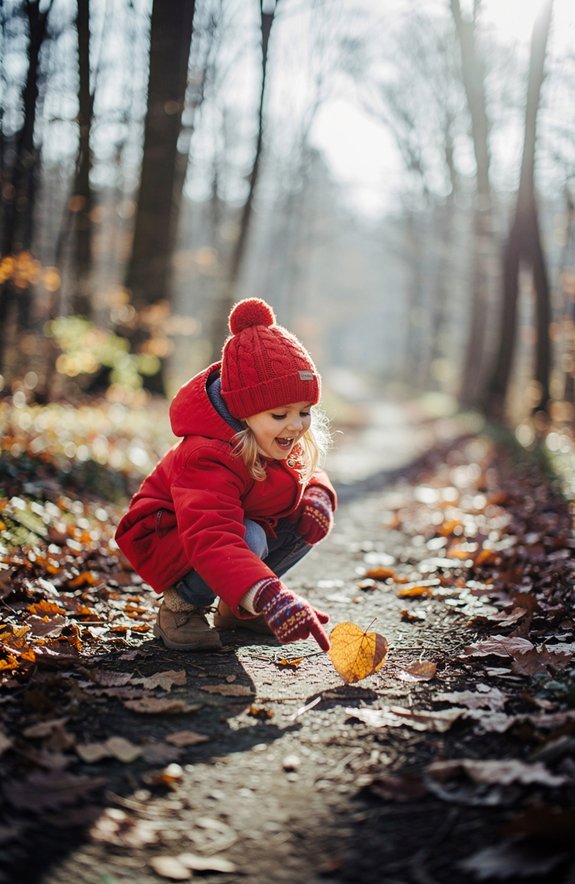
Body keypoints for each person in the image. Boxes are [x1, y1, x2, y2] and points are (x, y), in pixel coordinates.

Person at [115, 297, 336, 653]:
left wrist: (318, 493)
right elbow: (212, 536)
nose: (296, 426)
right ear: (243, 412)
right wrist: (271, 595)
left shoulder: (275, 436)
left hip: (223, 527)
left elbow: (303, 473)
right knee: (248, 536)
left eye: (305, 411)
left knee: (306, 518)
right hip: (171, 534)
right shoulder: (207, 455)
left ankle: (238, 608)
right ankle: (181, 608)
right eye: (280, 415)